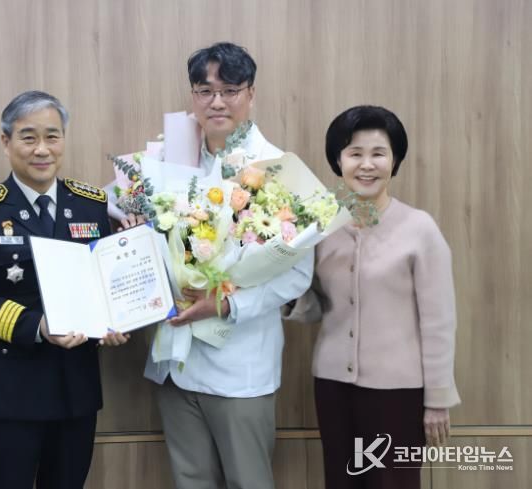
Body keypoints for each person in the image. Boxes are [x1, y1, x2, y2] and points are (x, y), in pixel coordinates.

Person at [141, 42, 314, 489]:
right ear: (193, 96)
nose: (216, 102)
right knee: (191, 481)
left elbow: (297, 275)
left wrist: (226, 305)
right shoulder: (166, 162)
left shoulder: (280, 169)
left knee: (247, 482)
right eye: (205, 90)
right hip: (177, 362)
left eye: (230, 90)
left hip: (240, 366)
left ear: (250, 94)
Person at [0, 90, 128, 489]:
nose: (42, 149)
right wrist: (37, 326)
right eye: (29, 137)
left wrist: (115, 320)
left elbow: (103, 281)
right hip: (9, 391)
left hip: (75, 389)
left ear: (63, 140)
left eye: (52, 136)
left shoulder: (91, 205)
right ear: (6, 141)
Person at [286, 105, 461, 489]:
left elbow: (439, 321)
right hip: (333, 385)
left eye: (378, 153)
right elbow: (319, 305)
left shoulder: (420, 229)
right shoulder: (322, 227)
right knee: (341, 481)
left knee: (392, 483)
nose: (367, 165)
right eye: (355, 153)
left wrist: (437, 398)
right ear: (338, 160)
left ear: (394, 160)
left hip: (398, 392)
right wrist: (288, 300)